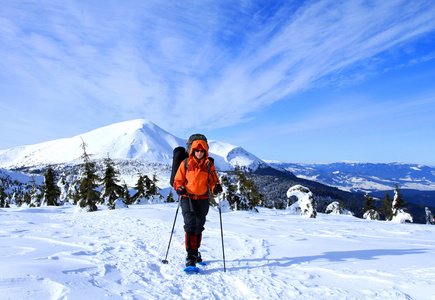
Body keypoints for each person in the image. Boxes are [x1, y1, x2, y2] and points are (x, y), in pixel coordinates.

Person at [173, 138, 223, 267]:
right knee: (190, 225)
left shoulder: (208, 165)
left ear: (205, 151)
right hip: (187, 198)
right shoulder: (185, 163)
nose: (199, 153)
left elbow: (213, 180)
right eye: (197, 150)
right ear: (193, 151)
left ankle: (195, 251)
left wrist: (215, 187)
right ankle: (191, 256)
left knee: (199, 226)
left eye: (202, 151)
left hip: (203, 199)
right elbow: (178, 180)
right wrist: (179, 188)